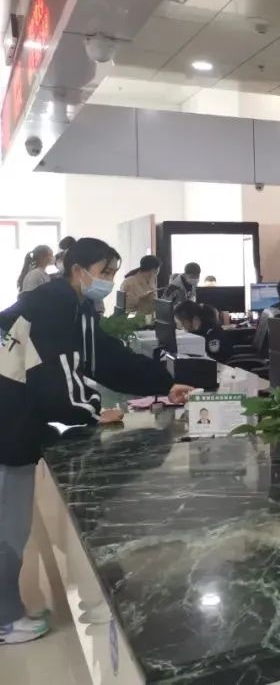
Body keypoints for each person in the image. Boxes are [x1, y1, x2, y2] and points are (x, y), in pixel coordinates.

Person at [0, 238, 192, 644]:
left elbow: (105, 358)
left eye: (113, 274)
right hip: (6, 424)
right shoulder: (53, 305)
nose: (109, 281)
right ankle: (3, 619)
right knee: (7, 528)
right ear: (78, 270)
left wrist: (164, 384)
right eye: (104, 272)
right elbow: (55, 381)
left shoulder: (74, 307)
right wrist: (90, 411)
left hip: (13, 421)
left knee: (11, 525)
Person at [174, 300, 231, 364]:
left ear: (195, 319)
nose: (182, 327)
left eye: (183, 323)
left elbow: (215, 360)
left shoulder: (212, 334)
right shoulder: (198, 331)